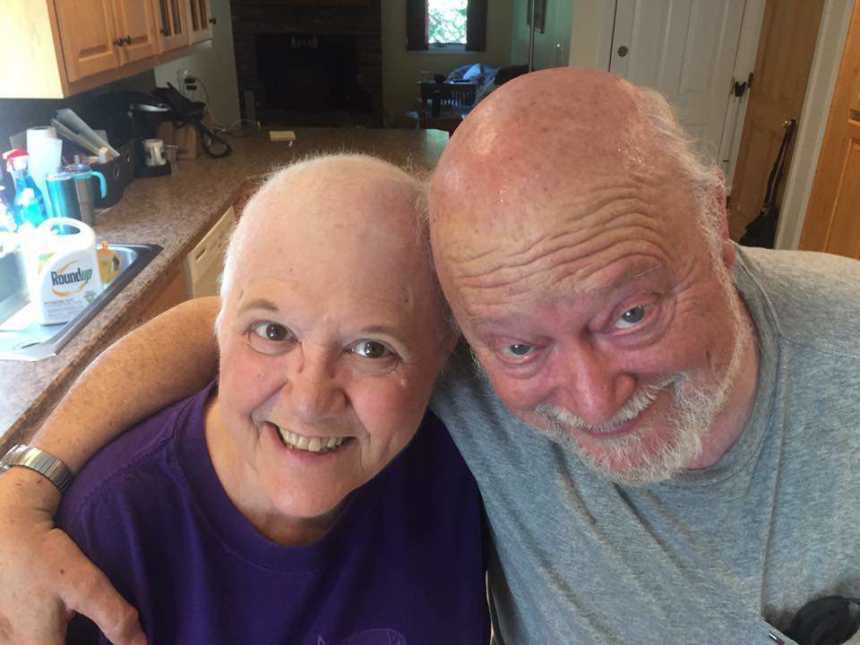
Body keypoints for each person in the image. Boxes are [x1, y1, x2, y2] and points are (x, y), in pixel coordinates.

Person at [2, 68, 860, 644]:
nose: (593, 399)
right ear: (470, 337)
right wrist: (25, 483)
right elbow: (237, 325)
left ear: (716, 225)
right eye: (521, 343)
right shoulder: (443, 385)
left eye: (632, 311)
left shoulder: (846, 352)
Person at [24, 154, 490, 644]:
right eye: (273, 332)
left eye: (372, 348)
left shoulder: (463, 467)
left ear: (444, 353)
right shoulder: (105, 532)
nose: (310, 401)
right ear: (221, 329)